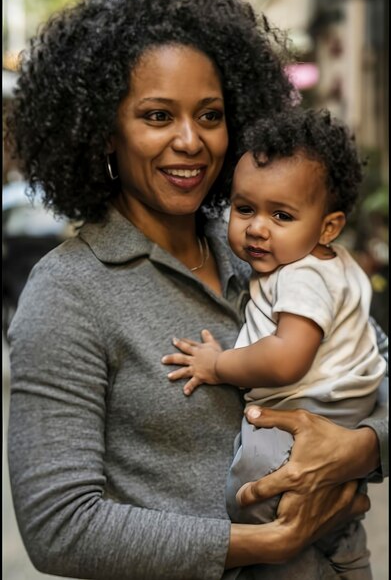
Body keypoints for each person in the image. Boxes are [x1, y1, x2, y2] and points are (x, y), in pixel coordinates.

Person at [5, 0, 387, 580]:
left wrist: (361, 445)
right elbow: (59, 526)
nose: (190, 141)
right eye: (158, 116)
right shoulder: (69, 293)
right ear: (105, 130)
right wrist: (264, 543)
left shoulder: (263, 244)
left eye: (210, 115)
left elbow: (376, 366)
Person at [162, 107, 387, 578]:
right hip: (345, 409)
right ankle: (336, 554)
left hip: (311, 411)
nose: (257, 228)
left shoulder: (302, 277)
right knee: (327, 518)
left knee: (252, 488)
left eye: (281, 215)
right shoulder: (325, 263)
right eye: (245, 209)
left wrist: (218, 365)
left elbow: (286, 359)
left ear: (328, 226)